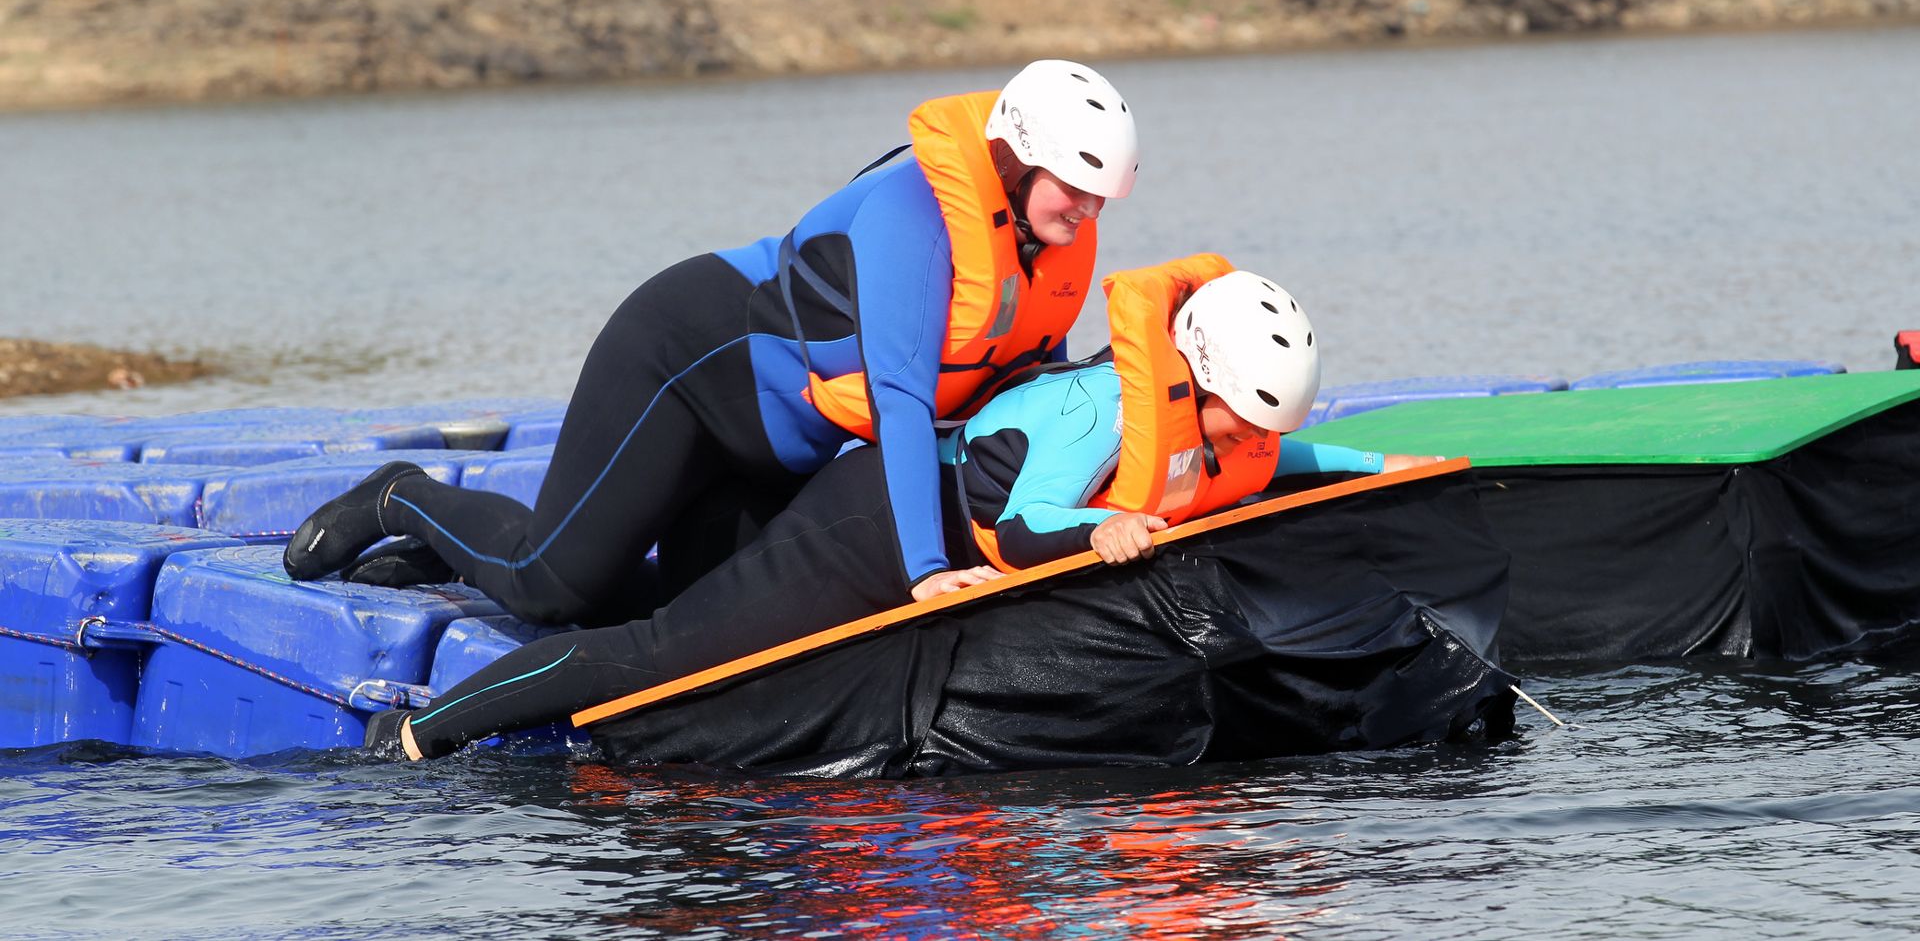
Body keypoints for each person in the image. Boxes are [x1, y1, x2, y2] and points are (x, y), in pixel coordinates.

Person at [364, 254, 1439, 760]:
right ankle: (416, 732)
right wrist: (1099, 528)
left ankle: (431, 558)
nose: (1247, 446)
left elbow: (1288, 455)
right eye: (1235, 423)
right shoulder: (1102, 411)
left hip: (908, 529)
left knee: (680, 599)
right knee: (658, 650)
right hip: (875, 520)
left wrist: (1383, 464)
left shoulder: (1219, 428)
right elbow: (1022, 527)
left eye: (1256, 429)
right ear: (1191, 380)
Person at [284, 59, 1140, 624]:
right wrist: (925, 567)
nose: (1088, 214)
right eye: (1076, 190)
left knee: (683, 614)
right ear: (1016, 157)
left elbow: (1034, 400)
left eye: (1102, 198)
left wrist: (1058, 525)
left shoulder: (1044, 248)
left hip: (774, 449)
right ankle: (404, 500)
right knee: (555, 584)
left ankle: (444, 564)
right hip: (684, 364)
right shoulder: (911, 218)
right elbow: (904, 401)